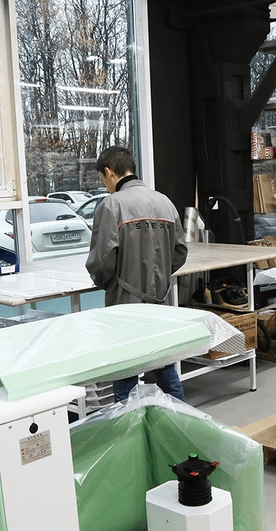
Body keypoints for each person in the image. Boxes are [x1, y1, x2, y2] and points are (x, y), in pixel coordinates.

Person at [86, 146, 188, 401]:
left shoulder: (112, 205)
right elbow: (180, 252)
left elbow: (101, 261)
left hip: (125, 303)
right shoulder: (164, 202)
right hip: (161, 300)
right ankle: (183, 417)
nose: (106, 187)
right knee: (164, 364)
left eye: (103, 180)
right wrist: (159, 277)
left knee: (126, 373)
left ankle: (128, 423)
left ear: (109, 172)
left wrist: (110, 283)